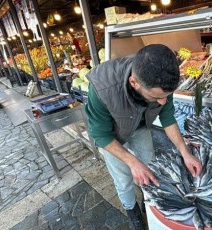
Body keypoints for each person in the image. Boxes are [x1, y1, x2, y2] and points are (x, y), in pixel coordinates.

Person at [85, 44, 202, 230]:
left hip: (140, 126)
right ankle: (132, 212)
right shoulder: (103, 87)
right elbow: (100, 134)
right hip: (113, 135)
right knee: (123, 178)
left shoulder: (162, 80)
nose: (162, 101)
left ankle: (149, 202)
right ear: (134, 82)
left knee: (150, 166)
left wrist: (185, 152)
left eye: (167, 96)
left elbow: (167, 116)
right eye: (156, 98)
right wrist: (132, 162)